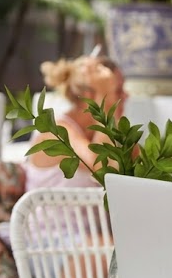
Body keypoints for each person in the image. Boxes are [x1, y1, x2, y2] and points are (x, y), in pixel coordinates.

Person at [25, 54, 128, 191]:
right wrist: (106, 104)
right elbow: (100, 167)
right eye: (117, 90)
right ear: (90, 96)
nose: (126, 96)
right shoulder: (55, 133)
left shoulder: (97, 135)